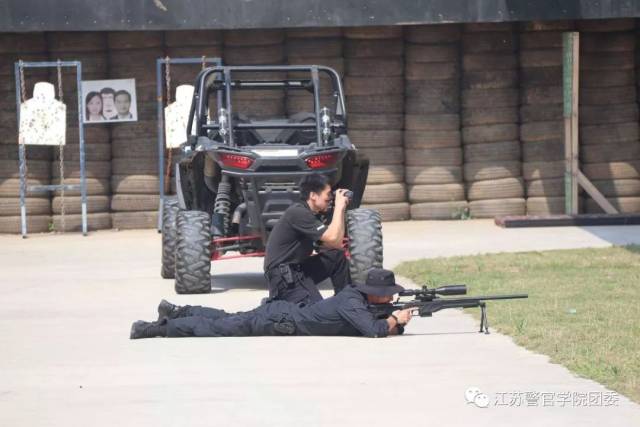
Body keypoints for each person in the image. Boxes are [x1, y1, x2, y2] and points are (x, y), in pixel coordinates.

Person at [130, 268, 414, 339]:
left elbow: (375, 324)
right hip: (279, 321)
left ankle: (179, 311)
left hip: (283, 314)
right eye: (387, 293)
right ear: (374, 292)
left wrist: (394, 323)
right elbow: (373, 330)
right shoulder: (352, 301)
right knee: (221, 328)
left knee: (228, 317)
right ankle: (156, 328)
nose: (390, 298)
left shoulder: (358, 300)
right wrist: (395, 320)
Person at [263, 173, 351, 306]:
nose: (331, 198)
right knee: (316, 314)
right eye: (328, 194)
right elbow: (333, 238)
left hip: (299, 270)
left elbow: (336, 243)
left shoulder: (310, 214)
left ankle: (347, 303)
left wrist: (341, 209)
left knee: (337, 257)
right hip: (283, 277)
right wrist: (339, 207)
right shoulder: (298, 213)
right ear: (313, 195)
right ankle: (276, 303)